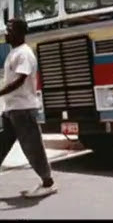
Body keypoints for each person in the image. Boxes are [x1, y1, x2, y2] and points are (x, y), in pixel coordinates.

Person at [0, 19, 57, 198]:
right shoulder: (14, 53)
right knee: (1, 144)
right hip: (11, 109)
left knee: (32, 147)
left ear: (19, 32)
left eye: (9, 30)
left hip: (23, 109)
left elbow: (20, 80)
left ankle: (47, 182)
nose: (6, 33)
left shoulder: (24, 53)